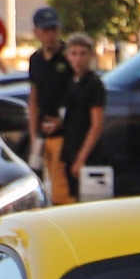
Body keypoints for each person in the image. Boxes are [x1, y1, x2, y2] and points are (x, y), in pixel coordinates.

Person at [26, 6, 73, 204]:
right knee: (45, 185)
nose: (50, 35)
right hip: (43, 133)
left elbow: (77, 95)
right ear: (37, 32)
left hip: (66, 131)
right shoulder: (36, 60)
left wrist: (62, 121)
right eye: (46, 30)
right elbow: (34, 97)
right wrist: (33, 134)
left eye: (54, 29)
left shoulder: (69, 56)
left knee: (63, 189)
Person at [60, 34, 107, 202]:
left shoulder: (94, 84)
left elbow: (97, 124)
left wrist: (81, 158)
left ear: (91, 56)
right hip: (70, 150)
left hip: (87, 154)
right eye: (74, 53)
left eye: (82, 53)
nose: (78, 58)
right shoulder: (71, 82)